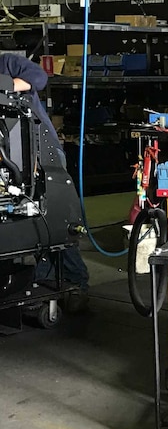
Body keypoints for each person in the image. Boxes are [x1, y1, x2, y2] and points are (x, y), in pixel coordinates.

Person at [0, 53, 90, 311]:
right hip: (12, 164)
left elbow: (39, 77)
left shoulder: (7, 62)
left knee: (55, 221)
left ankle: (76, 282)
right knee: (28, 225)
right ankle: (42, 280)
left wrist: (7, 84)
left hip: (43, 154)